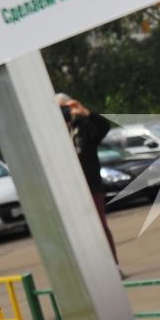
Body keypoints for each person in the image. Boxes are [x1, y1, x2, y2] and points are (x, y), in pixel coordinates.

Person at [56, 93, 119, 264]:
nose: (62, 112)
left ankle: (113, 265)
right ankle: (92, 266)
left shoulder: (83, 127)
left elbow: (104, 128)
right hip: (68, 190)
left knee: (99, 226)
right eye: (58, 109)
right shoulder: (54, 135)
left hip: (91, 186)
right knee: (78, 232)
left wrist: (86, 113)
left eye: (65, 107)